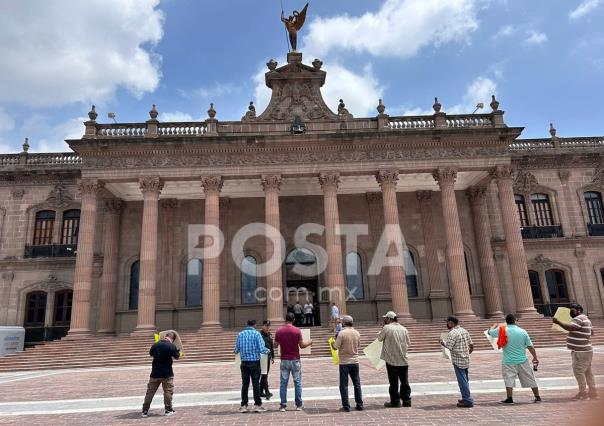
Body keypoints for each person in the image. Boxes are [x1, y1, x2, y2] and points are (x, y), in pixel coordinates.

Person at [488, 314, 542, 404]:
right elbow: (530, 346)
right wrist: (535, 357)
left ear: (506, 321)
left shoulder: (502, 330)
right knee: (530, 377)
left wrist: (493, 326)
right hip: (522, 359)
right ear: (515, 321)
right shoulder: (522, 331)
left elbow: (490, 332)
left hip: (508, 360)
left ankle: (509, 398)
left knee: (508, 379)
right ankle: (537, 396)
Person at [552, 303, 597, 400]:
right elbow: (592, 332)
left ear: (579, 310)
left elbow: (571, 327)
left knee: (578, 371)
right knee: (587, 372)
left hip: (581, 351)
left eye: (572, 310)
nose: (570, 312)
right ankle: (593, 392)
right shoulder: (585, 318)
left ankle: (583, 393)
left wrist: (558, 322)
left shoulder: (579, 318)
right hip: (585, 350)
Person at [274, 312, 313, 412]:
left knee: (283, 383)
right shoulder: (297, 330)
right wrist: (310, 342)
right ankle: (298, 405)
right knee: (297, 382)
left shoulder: (279, 331)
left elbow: (275, 345)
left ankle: (283, 405)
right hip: (295, 359)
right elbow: (302, 345)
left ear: (285, 319)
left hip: (284, 360)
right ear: (294, 320)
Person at [142, 331, 180, 417]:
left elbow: (151, 353)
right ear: (172, 339)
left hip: (155, 373)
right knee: (168, 392)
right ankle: (168, 410)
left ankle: (145, 410)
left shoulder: (156, 344)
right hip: (167, 373)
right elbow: (177, 356)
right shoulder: (171, 346)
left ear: (166, 336)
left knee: (150, 392)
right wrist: (177, 350)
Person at [234, 319, 270, 413]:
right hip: (254, 363)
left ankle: (244, 405)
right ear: (255, 325)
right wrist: (268, 351)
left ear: (247, 324)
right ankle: (257, 405)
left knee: (245, 384)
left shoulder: (240, 334)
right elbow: (262, 349)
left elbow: (236, 350)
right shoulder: (257, 334)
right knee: (255, 384)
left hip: (244, 363)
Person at [378, 311, 412, 408]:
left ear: (389, 319)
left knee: (393, 382)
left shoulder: (387, 328)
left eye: (385, 318)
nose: (384, 320)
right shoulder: (404, 329)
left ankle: (395, 401)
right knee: (404, 381)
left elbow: (379, 339)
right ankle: (406, 400)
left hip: (391, 359)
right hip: (403, 359)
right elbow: (408, 342)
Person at [441, 316, 474, 408]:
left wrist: (442, 343)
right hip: (466, 358)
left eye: (447, 322)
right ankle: (465, 397)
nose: (446, 324)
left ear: (451, 323)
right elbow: (471, 344)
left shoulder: (452, 333)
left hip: (458, 359)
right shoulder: (464, 331)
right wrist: (469, 351)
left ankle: (467, 400)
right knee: (465, 379)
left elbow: (449, 346)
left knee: (462, 380)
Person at [332, 315, 364, 412]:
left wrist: (332, 342)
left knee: (344, 385)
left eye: (342, 322)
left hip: (344, 362)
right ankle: (359, 404)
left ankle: (346, 406)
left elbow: (335, 347)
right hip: (355, 361)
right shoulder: (357, 333)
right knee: (357, 384)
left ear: (344, 323)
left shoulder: (342, 333)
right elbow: (358, 345)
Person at [259, 320, 275, 400]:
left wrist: (272, 357)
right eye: (266, 326)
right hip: (260, 357)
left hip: (267, 357)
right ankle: (267, 392)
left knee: (265, 374)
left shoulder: (270, 335)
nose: (267, 327)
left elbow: (271, 347)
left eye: (269, 326)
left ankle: (260, 391)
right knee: (264, 375)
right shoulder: (259, 335)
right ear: (262, 326)